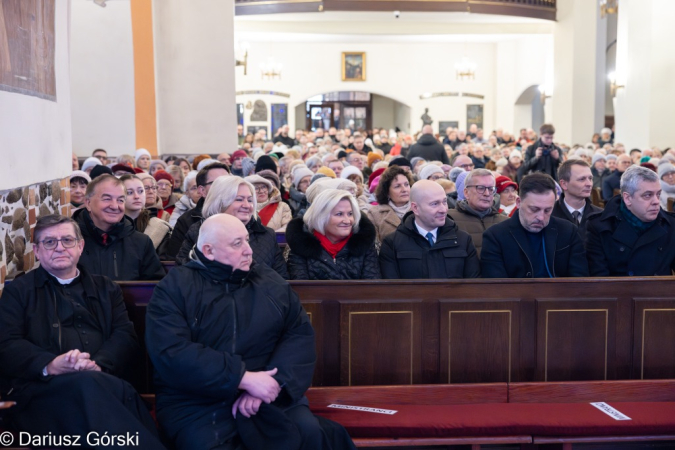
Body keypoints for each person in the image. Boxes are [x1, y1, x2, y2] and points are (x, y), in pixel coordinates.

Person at [145, 214, 355, 450]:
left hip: (272, 394)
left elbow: (298, 336)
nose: (248, 251)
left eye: (247, 240)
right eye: (237, 244)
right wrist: (242, 378)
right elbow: (171, 351)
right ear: (209, 250)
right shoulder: (175, 287)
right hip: (198, 402)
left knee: (310, 435)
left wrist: (271, 384)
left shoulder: (269, 281)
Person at [0, 215, 165, 449]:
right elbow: (7, 343)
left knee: (93, 386)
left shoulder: (106, 288)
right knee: (90, 388)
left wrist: (98, 364)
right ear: (36, 251)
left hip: (103, 381)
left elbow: (124, 335)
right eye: (49, 242)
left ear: (80, 246)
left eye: (67, 240)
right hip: (43, 392)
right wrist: (51, 364)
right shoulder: (18, 291)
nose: (59, 247)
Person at [176, 176, 288, 279]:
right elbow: (185, 275)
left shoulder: (267, 235)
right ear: (220, 202)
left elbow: (281, 279)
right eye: (239, 199)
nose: (247, 205)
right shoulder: (199, 232)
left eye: (249, 200)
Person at [481, 173, 589, 278]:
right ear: (518, 202)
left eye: (547, 210)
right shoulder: (495, 236)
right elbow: (497, 288)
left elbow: (579, 281)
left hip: (561, 295)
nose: (541, 217)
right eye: (534, 209)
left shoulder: (568, 231)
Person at [379, 180, 479, 279]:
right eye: (434, 204)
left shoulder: (463, 240)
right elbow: (392, 289)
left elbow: (473, 286)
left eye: (444, 202)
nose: (443, 209)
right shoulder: (392, 244)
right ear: (415, 208)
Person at [72, 175, 165, 280]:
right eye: (107, 199)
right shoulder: (69, 240)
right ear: (88, 203)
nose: (115, 206)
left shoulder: (141, 243)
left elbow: (154, 286)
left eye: (120, 200)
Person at [586, 166, 675, 276]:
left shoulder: (671, 225)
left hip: (659, 292)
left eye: (658, 194)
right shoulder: (600, 227)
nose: (656, 201)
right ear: (628, 198)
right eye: (648, 195)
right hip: (618, 291)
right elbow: (600, 281)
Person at [286, 189, 380, 280]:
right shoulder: (301, 245)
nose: (347, 221)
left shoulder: (364, 244)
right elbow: (301, 289)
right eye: (339, 214)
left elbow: (372, 288)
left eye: (350, 214)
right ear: (321, 217)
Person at [166, 162, 229, 259]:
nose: (225, 187)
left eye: (228, 182)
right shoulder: (186, 221)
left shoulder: (245, 215)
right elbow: (175, 260)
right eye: (217, 183)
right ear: (202, 191)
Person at [448, 169, 507, 257]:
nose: (487, 193)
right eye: (480, 188)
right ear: (466, 192)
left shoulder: (505, 222)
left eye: (491, 189)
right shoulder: (449, 219)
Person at [121, 175, 172, 258]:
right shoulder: (109, 225)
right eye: (130, 192)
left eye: (141, 191)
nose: (137, 196)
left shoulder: (159, 227)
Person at [552, 160, 602, 241]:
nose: (589, 184)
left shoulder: (600, 216)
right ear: (564, 184)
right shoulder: (549, 214)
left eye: (590, 178)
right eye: (582, 179)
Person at [366, 166, 413, 242]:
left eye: (406, 184)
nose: (404, 189)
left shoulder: (420, 208)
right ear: (387, 192)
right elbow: (374, 245)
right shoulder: (374, 214)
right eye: (397, 186)